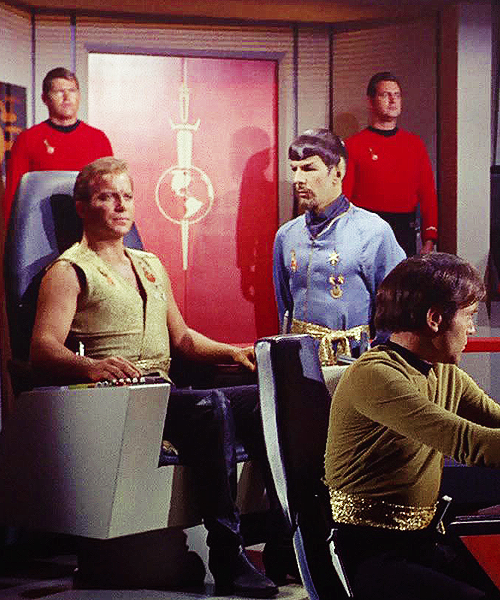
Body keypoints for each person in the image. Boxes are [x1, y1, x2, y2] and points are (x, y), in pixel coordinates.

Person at [29, 157, 281, 598]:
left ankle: (283, 537)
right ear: (83, 207)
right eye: (107, 197)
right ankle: (227, 553)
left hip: (164, 395)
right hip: (114, 401)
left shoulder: (149, 264)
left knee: (270, 397)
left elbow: (182, 339)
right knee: (208, 405)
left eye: (127, 196)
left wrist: (234, 352)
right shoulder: (69, 271)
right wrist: (91, 366)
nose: (121, 206)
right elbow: (42, 347)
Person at [325, 252, 500, 600]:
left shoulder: (444, 371)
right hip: (368, 554)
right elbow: (471, 443)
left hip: (421, 542)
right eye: (469, 316)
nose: (472, 329)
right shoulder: (375, 375)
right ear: (435, 319)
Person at [273, 128, 405, 367]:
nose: (298, 179)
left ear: (338, 171)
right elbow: (285, 308)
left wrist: (378, 362)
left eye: (309, 169)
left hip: (354, 363)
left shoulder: (373, 232)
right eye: (294, 169)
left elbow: (397, 309)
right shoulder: (286, 236)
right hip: (299, 362)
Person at [342, 71, 438, 256]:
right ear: (371, 101)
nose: (393, 100)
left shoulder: (414, 144)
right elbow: (344, 198)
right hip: (365, 232)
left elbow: (428, 194)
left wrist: (429, 239)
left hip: (405, 231)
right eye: (385, 95)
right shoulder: (353, 146)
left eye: (397, 95)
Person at [3, 67, 113, 224]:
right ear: (45, 98)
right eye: (59, 91)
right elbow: (13, 196)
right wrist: (12, 234)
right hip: (40, 226)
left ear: (79, 95)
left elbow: (110, 190)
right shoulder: (27, 140)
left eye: (72, 91)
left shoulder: (99, 139)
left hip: (89, 227)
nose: (67, 97)